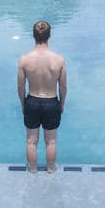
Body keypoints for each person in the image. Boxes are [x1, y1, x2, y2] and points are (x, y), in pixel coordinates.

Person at [17, 21, 67, 173]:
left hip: (32, 101)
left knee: (31, 141)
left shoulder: (24, 60)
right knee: (51, 141)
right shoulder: (59, 60)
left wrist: (23, 104)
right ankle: (51, 169)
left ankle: (32, 170)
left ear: (33, 36)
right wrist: (62, 104)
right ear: (49, 36)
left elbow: (20, 86)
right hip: (52, 102)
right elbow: (63, 86)